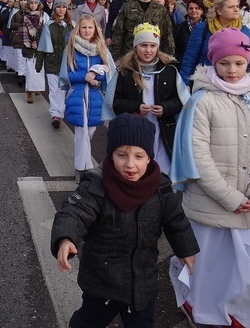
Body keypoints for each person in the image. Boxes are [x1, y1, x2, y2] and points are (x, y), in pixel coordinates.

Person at [170, 27, 250, 328]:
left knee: (246, 267)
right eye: (224, 63)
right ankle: (198, 306)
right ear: (213, 62)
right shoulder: (201, 101)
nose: (232, 70)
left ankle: (239, 313)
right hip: (211, 203)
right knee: (207, 266)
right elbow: (198, 158)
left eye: (239, 63)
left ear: (248, 63)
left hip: (248, 205)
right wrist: (231, 198)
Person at [51, 114, 199, 328]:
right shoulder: (97, 183)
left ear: (150, 157)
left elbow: (175, 220)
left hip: (142, 283)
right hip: (102, 282)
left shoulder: (160, 186)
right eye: (122, 155)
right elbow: (74, 210)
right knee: (88, 322)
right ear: (111, 155)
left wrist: (185, 249)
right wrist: (65, 237)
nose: (130, 164)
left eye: (139, 156)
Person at [113, 23, 189, 175]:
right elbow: (116, 102)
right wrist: (136, 107)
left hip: (163, 129)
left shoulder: (169, 70)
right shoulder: (125, 73)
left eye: (153, 46)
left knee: (162, 168)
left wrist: (165, 108)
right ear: (136, 47)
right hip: (135, 129)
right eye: (143, 45)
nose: (148, 50)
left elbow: (180, 100)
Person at [59, 14, 116, 182]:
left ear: (95, 29)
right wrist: (85, 76)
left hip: (95, 96)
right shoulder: (71, 48)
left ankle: (84, 164)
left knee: (89, 131)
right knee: (81, 131)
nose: (87, 30)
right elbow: (66, 74)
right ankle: (82, 168)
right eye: (84, 27)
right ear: (78, 29)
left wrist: (96, 76)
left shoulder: (101, 49)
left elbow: (109, 71)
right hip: (77, 93)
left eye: (90, 27)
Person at [179, 0, 250, 86]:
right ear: (219, 10)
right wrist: (184, 84)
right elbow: (190, 58)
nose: (236, 10)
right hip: (207, 83)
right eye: (231, 7)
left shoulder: (244, 31)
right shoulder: (203, 29)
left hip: (235, 84)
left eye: (237, 6)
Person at [109, 0, 175, 59]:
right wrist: (115, 60)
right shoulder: (127, 8)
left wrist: (168, 59)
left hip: (153, 56)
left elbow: (167, 37)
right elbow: (118, 36)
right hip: (130, 56)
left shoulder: (160, 10)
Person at [36, 0, 73, 128]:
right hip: (51, 61)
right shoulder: (48, 25)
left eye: (64, 7)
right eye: (59, 7)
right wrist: (39, 63)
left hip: (67, 62)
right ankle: (55, 113)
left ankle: (61, 110)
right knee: (53, 89)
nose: (61, 10)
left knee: (63, 89)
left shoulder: (71, 25)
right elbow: (42, 45)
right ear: (55, 9)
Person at [16, 0, 49, 103]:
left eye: (35, 3)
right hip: (28, 45)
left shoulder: (43, 16)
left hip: (40, 45)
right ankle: (29, 91)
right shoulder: (24, 16)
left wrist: (39, 43)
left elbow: (46, 32)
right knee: (30, 69)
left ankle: (37, 87)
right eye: (31, 3)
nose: (33, 5)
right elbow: (21, 32)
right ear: (28, 4)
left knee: (40, 68)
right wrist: (29, 43)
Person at [173, 0, 205, 66]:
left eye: (196, 8)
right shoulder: (181, 26)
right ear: (187, 11)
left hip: (203, 63)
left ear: (201, 11)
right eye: (191, 8)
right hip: (184, 63)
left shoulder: (207, 27)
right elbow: (176, 47)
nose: (194, 10)